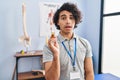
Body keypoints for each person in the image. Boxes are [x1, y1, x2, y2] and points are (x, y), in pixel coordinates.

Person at [43, 2, 94, 80]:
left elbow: (89, 73)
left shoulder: (85, 43)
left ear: (75, 20)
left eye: (71, 18)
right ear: (57, 22)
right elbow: (51, 79)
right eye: (63, 18)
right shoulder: (49, 46)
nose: (68, 21)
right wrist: (56, 54)